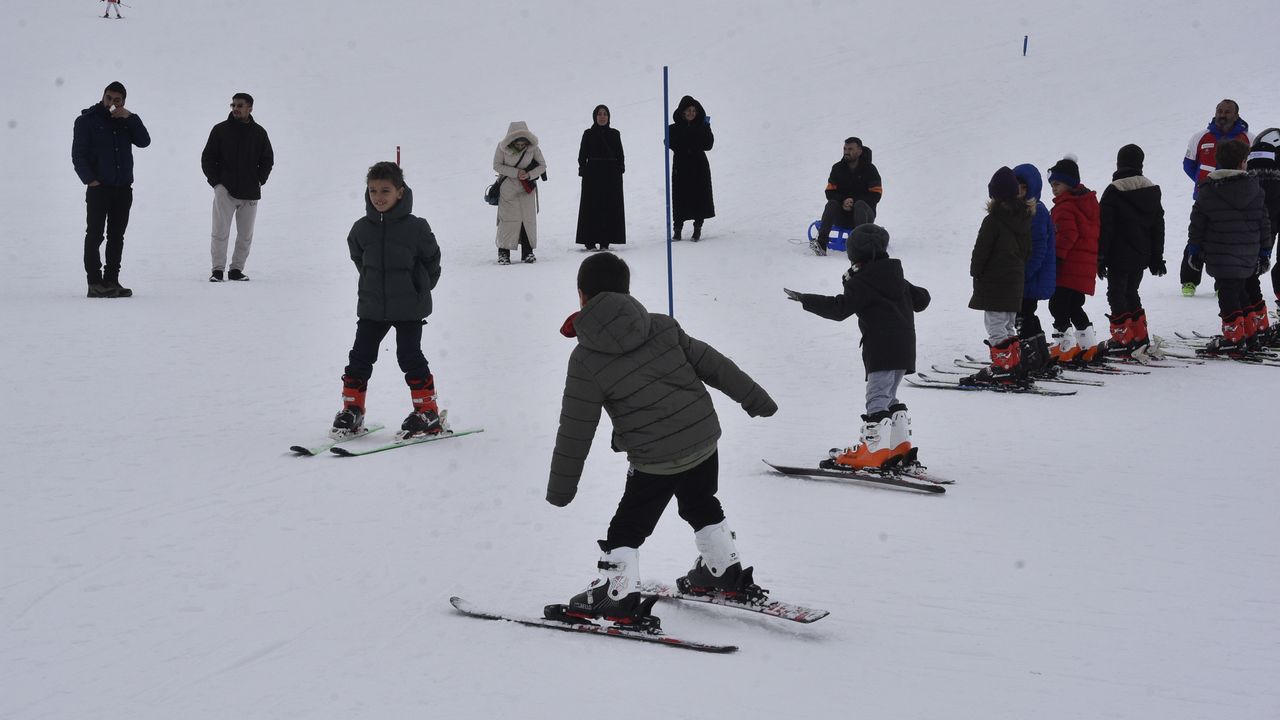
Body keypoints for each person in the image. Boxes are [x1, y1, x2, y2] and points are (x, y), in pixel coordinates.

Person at [545, 252, 778, 625]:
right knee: (701, 501)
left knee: (628, 526)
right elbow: (716, 365)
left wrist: (561, 489)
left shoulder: (586, 359)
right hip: (702, 440)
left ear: (582, 296)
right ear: (626, 291)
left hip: (655, 459)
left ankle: (615, 593)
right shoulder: (663, 327)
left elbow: (575, 428)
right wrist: (756, 399)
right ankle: (722, 570)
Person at [783, 224, 930, 469]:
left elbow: (839, 309)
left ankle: (874, 452)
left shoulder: (864, 281)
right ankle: (899, 447)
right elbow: (922, 299)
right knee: (888, 396)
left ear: (854, 254)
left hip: (882, 347)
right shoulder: (896, 277)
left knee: (876, 398)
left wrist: (806, 300)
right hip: (905, 348)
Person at [330, 162, 444, 439]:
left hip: (408, 307)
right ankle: (352, 410)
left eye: (385, 190)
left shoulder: (416, 228)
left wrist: (419, 287)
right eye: (373, 191)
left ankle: (427, 413)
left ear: (400, 192)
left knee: (410, 356)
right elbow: (360, 260)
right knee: (359, 357)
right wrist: (374, 284)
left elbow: (432, 261)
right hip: (372, 306)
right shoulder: (361, 229)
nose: (378, 197)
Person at [1188, 140, 1271, 353]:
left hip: (1220, 253)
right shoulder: (1254, 188)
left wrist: (1194, 249)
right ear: (1243, 163)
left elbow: (1198, 222)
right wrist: (1264, 250)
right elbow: (1263, 221)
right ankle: (1250, 334)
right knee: (1241, 291)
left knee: (1228, 295)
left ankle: (1234, 338)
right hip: (1248, 252)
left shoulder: (1208, 188)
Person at [72, 81, 151, 298]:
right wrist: (90, 180)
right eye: (109, 98)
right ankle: (94, 283)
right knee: (95, 234)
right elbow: (78, 155)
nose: (112, 103)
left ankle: (111, 280)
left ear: (123, 101)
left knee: (117, 236)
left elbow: (144, 141)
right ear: (103, 96)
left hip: (123, 188)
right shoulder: (86, 121)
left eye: (117, 99)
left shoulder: (126, 120)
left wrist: (131, 117)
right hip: (99, 189)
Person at [959, 168, 1033, 385]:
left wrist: (976, 271)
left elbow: (981, 250)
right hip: (1015, 282)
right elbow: (1028, 251)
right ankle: (1014, 364)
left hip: (994, 282)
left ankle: (1004, 368)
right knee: (1008, 324)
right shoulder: (1024, 218)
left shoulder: (993, 220)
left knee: (995, 325)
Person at [1097, 144, 1166, 360]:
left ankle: (1122, 339)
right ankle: (1139, 335)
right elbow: (1158, 226)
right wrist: (1157, 257)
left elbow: (1105, 228)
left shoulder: (1113, 191)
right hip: (1141, 255)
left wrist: (1100, 257)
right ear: (1141, 165)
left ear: (1118, 164)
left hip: (1118, 256)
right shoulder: (1151, 191)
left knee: (1116, 294)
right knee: (1131, 292)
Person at [1181, 99, 1254, 296]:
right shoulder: (1201, 137)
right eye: (1219, 110)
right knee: (1197, 235)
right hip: (1205, 197)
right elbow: (1189, 166)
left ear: (1236, 115)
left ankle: (1222, 283)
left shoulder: (1248, 138)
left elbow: (1252, 168)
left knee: (1227, 241)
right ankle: (1189, 281)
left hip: (1235, 201)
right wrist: (1202, 183)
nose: (1222, 114)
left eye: (1227, 111)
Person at [201, 92, 274, 282]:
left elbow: (267, 160)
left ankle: (236, 270)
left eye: (240, 105)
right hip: (225, 190)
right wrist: (217, 183)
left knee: (245, 234)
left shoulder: (259, 133)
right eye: (233, 105)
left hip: (250, 192)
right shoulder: (220, 130)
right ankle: (217, 270)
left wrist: (260, 180)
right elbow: (208, 158)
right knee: (220, 232)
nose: (235, 109)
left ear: (250, 108)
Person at [1045, 157, 1102, 364]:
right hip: (1083, 267)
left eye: (1057, 184)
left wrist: (1057, 258)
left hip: (1068, 266)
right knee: (1074, 306)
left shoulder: (1065, 207)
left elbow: (1068, 235)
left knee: (1058, 306)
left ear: (1069, 183)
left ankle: (1063, 347)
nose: (1054, 189)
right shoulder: (1087, 203)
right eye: (1052, 185)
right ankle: (1088, 346)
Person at [1012, 163, 1057, 376]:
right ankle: (1040, 359)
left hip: (1031, 277)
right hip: (1028, 276)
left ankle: (1032, 359)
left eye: (1023, 187)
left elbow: (1039, 248)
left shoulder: (1036, 210)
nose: (1019, 191)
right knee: (1027, 315)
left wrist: (1025, 274)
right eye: (1016, 187)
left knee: (1024, 316)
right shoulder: (1023, 210)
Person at [811, 137, 882, 256]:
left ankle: (860, 248)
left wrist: (854, 201)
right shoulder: (837, 168)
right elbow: (830, 192)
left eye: (850, 149)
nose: (846, 151)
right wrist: (843, 201)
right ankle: (821, 245)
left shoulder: (870, 169)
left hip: (864, 216)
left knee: (860, 205)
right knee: (832, 204)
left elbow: (876, 194)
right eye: (845, 148)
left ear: (859, 151)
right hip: (843, 216)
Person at [493, 122, 546, 264]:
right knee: (507, 220)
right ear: (511, 140)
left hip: (526, 188)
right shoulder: (501, 148)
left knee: (527, 220)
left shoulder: (533, 148)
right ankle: (503, 253)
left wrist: (529, 175)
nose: (521, 146)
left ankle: (528, 252)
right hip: (508, 188)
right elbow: (496, 165)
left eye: (524, 143)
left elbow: (542, 165)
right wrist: (516, 172)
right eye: (518, 143)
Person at [575, 106, 625, 251]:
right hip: (592, 175)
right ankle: (589, 240)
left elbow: (620, 154)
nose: (602, 117)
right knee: (591, 207)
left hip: (611, 175)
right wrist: (583, 170)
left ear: (608, 117)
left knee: (608, 207)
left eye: (605, 114)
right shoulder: (588, 134)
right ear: (595, 117)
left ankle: (605, 240)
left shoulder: (615, 134)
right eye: (599, 114)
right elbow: (582, 155)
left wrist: (620, 169)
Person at [667, 96, 715, 241]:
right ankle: (677, 229)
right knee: (679, 197)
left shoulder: (702, 126)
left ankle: (697, 228)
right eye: (688, 110)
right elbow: (672, 143)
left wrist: (705, 128)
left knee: (699, 196)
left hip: (699, 166)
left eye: (694, 110)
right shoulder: (673, 128)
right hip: (681, 167)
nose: (691, 113)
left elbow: (708, 145)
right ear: (682, 112)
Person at [1247, 139, 1280, 346]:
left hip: (1254, 226)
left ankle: (1252, 323)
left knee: (1250, 272)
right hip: (1266, 222)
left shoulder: (1248, 179)